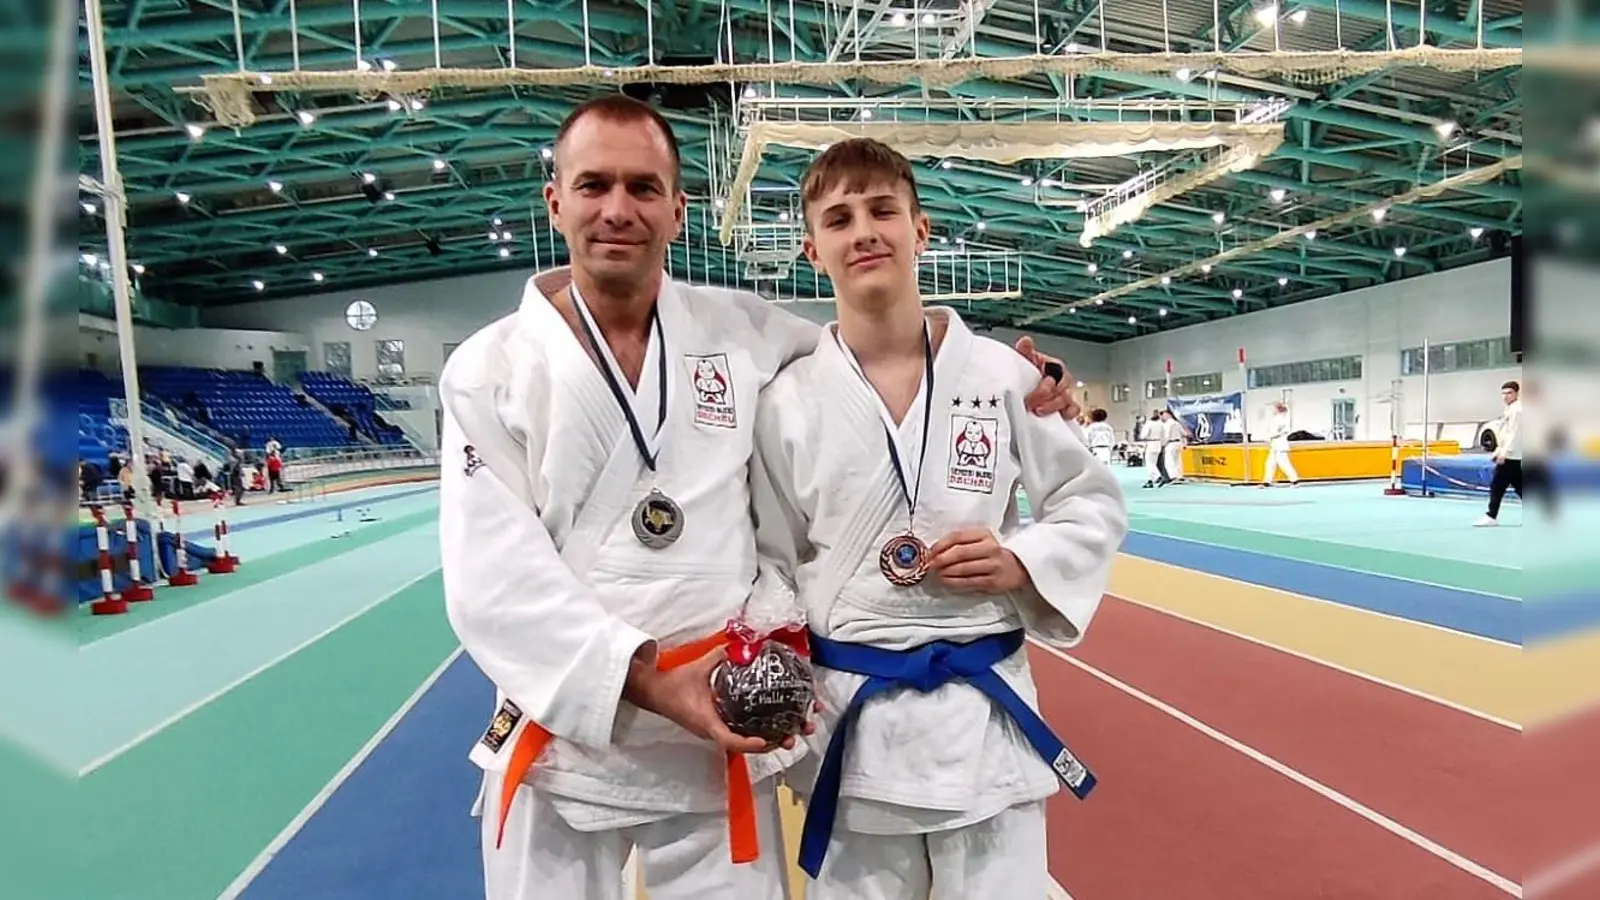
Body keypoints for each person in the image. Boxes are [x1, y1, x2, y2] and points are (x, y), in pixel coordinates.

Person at [438, 95, 1084, 900]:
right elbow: (493, 577)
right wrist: (643, 677)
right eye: (594, 185)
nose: (617, 209)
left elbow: (874, 352)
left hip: (720, 730)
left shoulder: (739, 328)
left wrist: (1018, 378)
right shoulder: (488, 368)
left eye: (643, 188)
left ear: (678, 209)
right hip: (569, 727)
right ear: (555, 200)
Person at [747, 138, 1129, 900]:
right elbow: (768, 557)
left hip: (985, 727)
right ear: (810, 248)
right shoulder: (784, 399)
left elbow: (1089, 501)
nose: (864, 232)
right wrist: (776, 676)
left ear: (921, 230)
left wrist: (1022, 561)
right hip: (853, 727)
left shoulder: (1003, 374)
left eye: (884, 210)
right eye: (839, 217)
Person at [1476, 380, 1524, 526]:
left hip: (1511, 455)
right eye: (1503, 393)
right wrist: (1498, 450)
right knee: (1520, 485)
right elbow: (1504, 433)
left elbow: (1515, 434)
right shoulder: (1510, 410)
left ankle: (1491, 515)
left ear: (1516, 393)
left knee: (1497, 485)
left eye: (1509, 393)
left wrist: (1505, 453)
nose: (1506, 396)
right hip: (1509, 454)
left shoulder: (1517, 411)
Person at [1261, 401, 1300, 486]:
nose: (1272, 411)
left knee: (1283, 463)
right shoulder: (1277, 418)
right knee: (1270, 463)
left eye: (1273, 409)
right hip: (1274, 444)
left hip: (1280, 444)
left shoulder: (1282, 419)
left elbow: (1280, 431)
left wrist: (1270, 435)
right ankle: (1267, 481)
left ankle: (1295, 480)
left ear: (1277, 409)